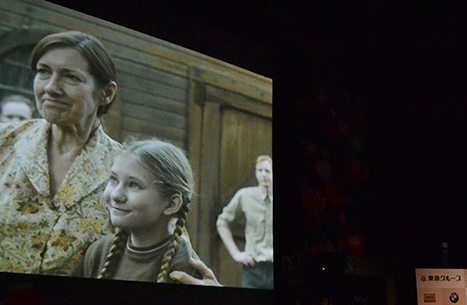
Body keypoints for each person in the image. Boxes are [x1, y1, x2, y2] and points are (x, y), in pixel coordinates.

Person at [0, 31, 119, 276]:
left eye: (71, 77)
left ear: (106, 94)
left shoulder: (128, 169)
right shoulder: (5, 142)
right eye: (43, 72)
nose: (51, 88)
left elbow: (167, 249)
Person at [82, 139, 216, 284]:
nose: (115, 195)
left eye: (134, 185)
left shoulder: (185, 269)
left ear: (171, 204)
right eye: (114, 179)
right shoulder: (99, 252)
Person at [216, 155, 273, 289]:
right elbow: (222, 222)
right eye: (260, 171)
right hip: (253, 269)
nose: (264, 175)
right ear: (256, 173)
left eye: (268, 171)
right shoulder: (245, 195)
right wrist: (236, 254)